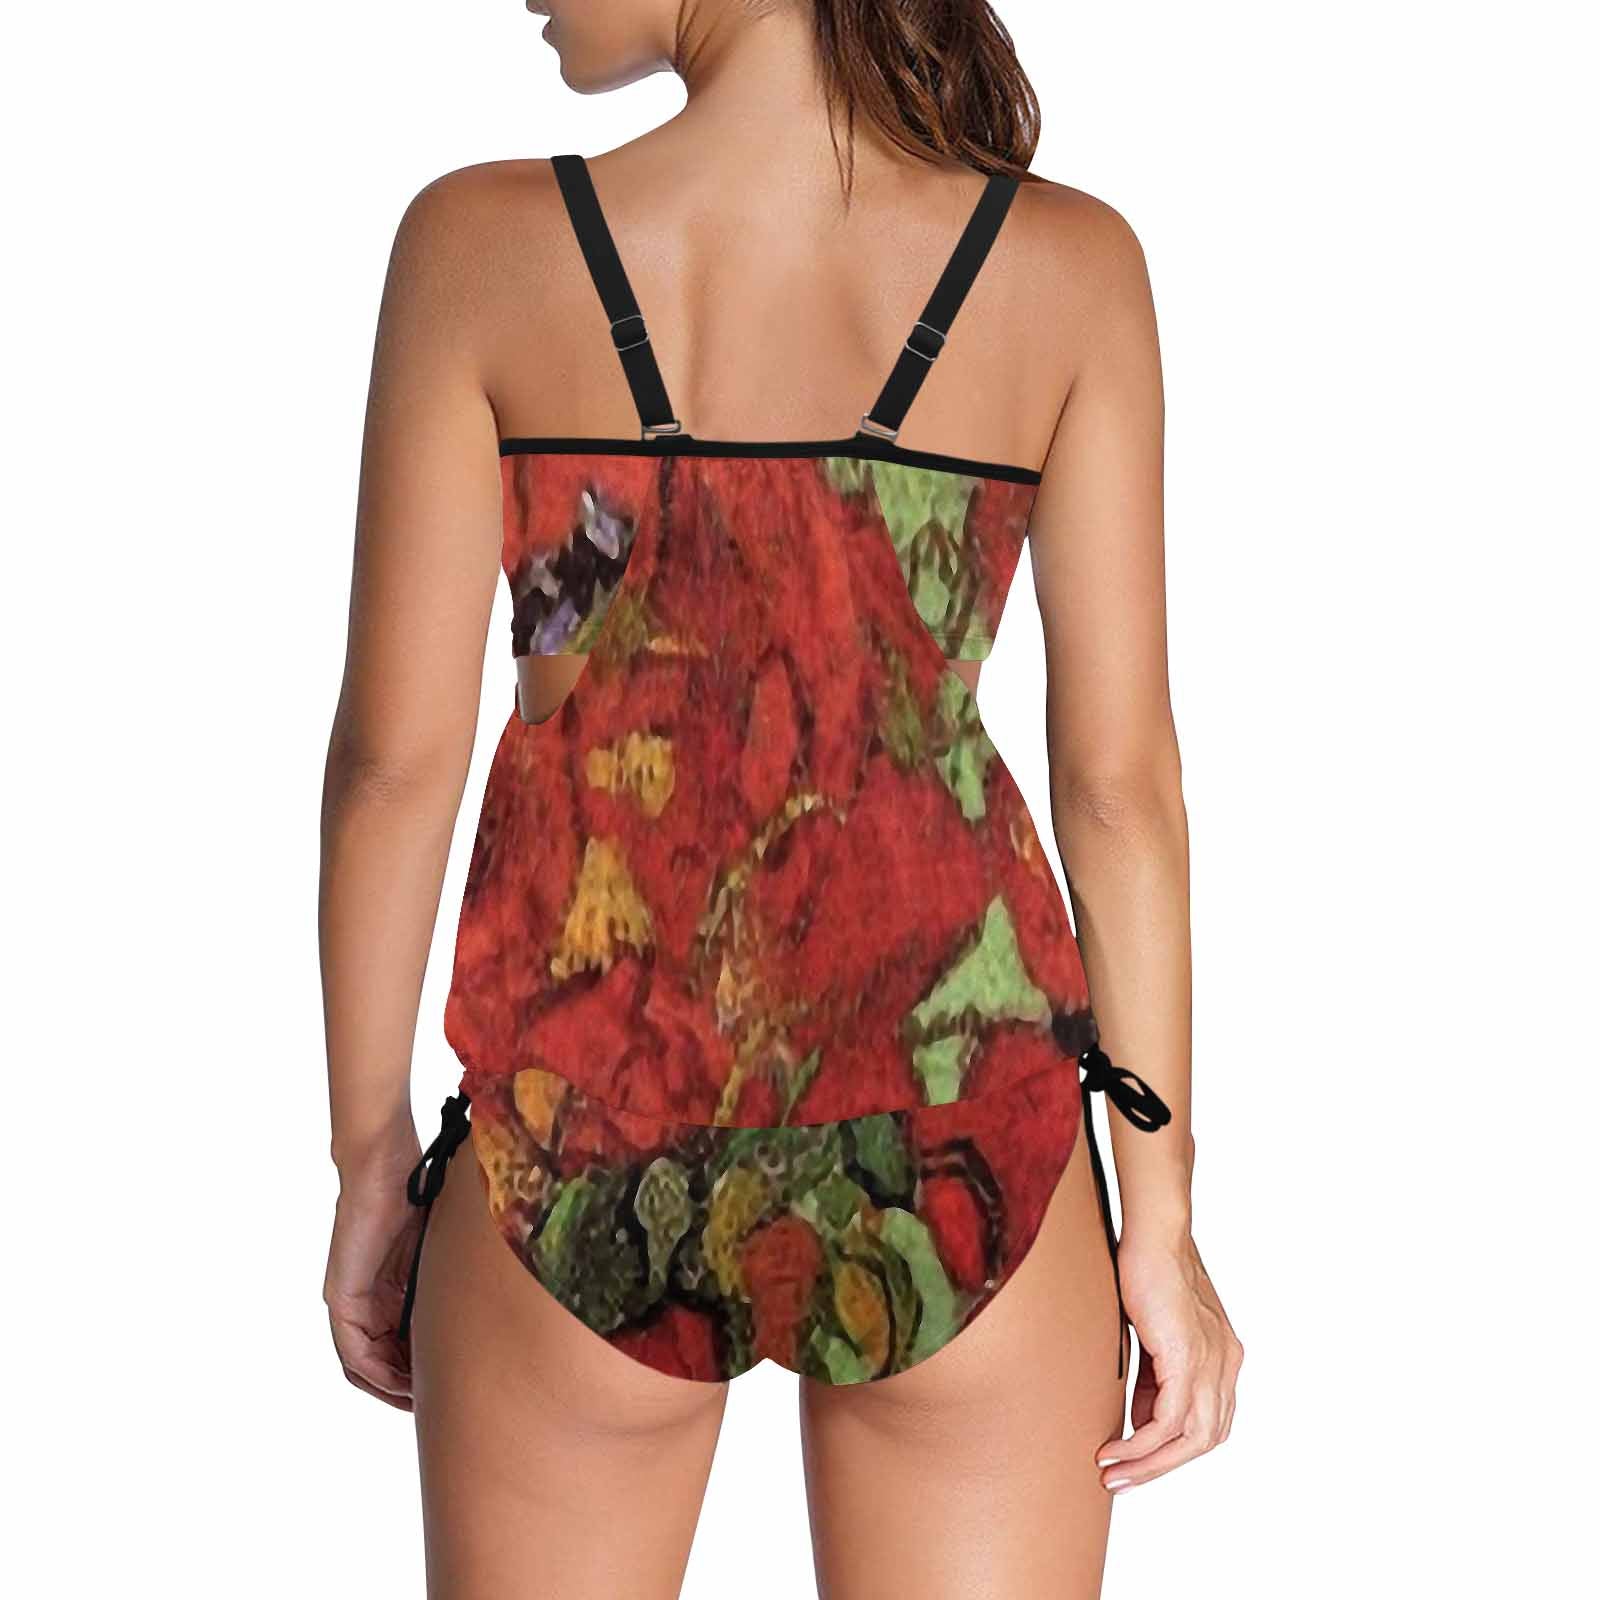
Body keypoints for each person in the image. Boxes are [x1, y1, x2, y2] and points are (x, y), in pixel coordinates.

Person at [319, 1, 1242, 1593]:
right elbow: (1120, 788)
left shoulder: (481, 249)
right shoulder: (1064, 267)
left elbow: (396, 767)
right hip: (962, 1138)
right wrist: (1156, 1213)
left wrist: (365, 1159)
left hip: (580, 1130)